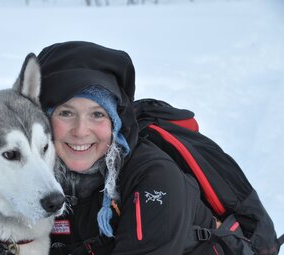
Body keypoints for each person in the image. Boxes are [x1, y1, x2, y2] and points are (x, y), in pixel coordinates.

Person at [37, 41, 217, 255]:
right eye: (66, 113)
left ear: (115, 122)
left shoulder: (154, 176)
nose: (81, 131)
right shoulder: (23, 172)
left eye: (97, 114)